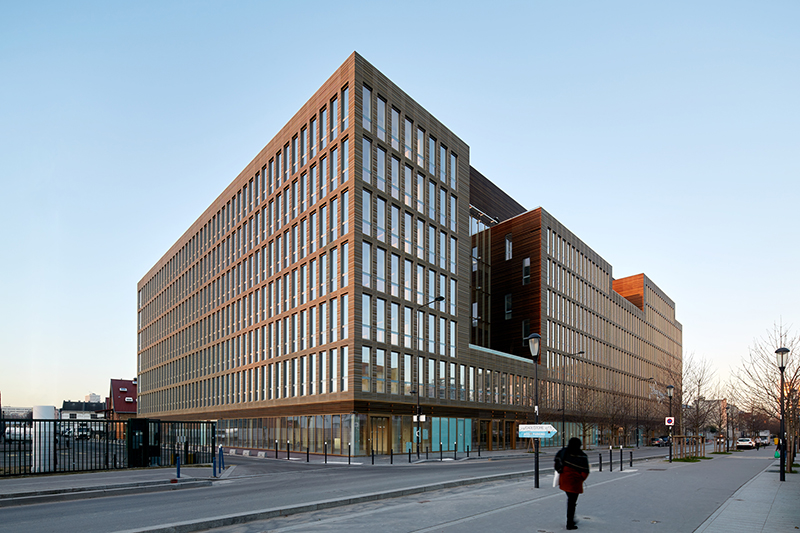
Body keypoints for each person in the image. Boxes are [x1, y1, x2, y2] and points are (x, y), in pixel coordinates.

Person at [555, 437, 590, 530]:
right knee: (572, 501)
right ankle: (570, 523)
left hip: (564, 479)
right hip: (575, 481)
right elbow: (585, 471)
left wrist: (561, 471)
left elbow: (557, 462)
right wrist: (581, 478)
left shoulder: (564, 452)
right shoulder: (582, 455)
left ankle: (570, 520)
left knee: (570, 500)